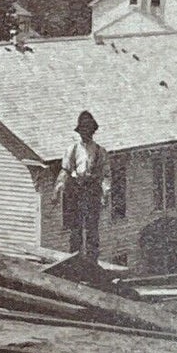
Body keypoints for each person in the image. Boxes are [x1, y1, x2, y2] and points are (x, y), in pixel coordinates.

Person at [53, 110, 110, 260]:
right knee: (75, 228)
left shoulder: (100, 151)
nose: (86, 133)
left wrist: (106, 193)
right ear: (79, 131)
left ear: (93, 131)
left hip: (92, 190)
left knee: (92, 228)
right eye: (83, 129)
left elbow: (105, 175)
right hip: (76, 190)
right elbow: (65, 170)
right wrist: (58, 189)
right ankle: (74, 259)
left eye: (88, 129)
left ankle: (92, 261)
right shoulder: (73, 149)